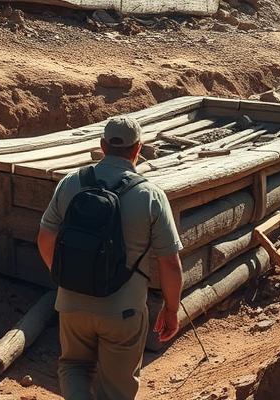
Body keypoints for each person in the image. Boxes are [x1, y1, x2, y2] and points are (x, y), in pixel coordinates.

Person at [37, 116, 183, 400]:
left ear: (102, 146)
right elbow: (169, 263)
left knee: (73, 367)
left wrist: (67, 278)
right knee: (116, 389)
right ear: (138, 149)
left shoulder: (70, 183)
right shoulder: (150, 195)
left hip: (72, 303)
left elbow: (44, 237)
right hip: (123, 309)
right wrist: (171, 309)